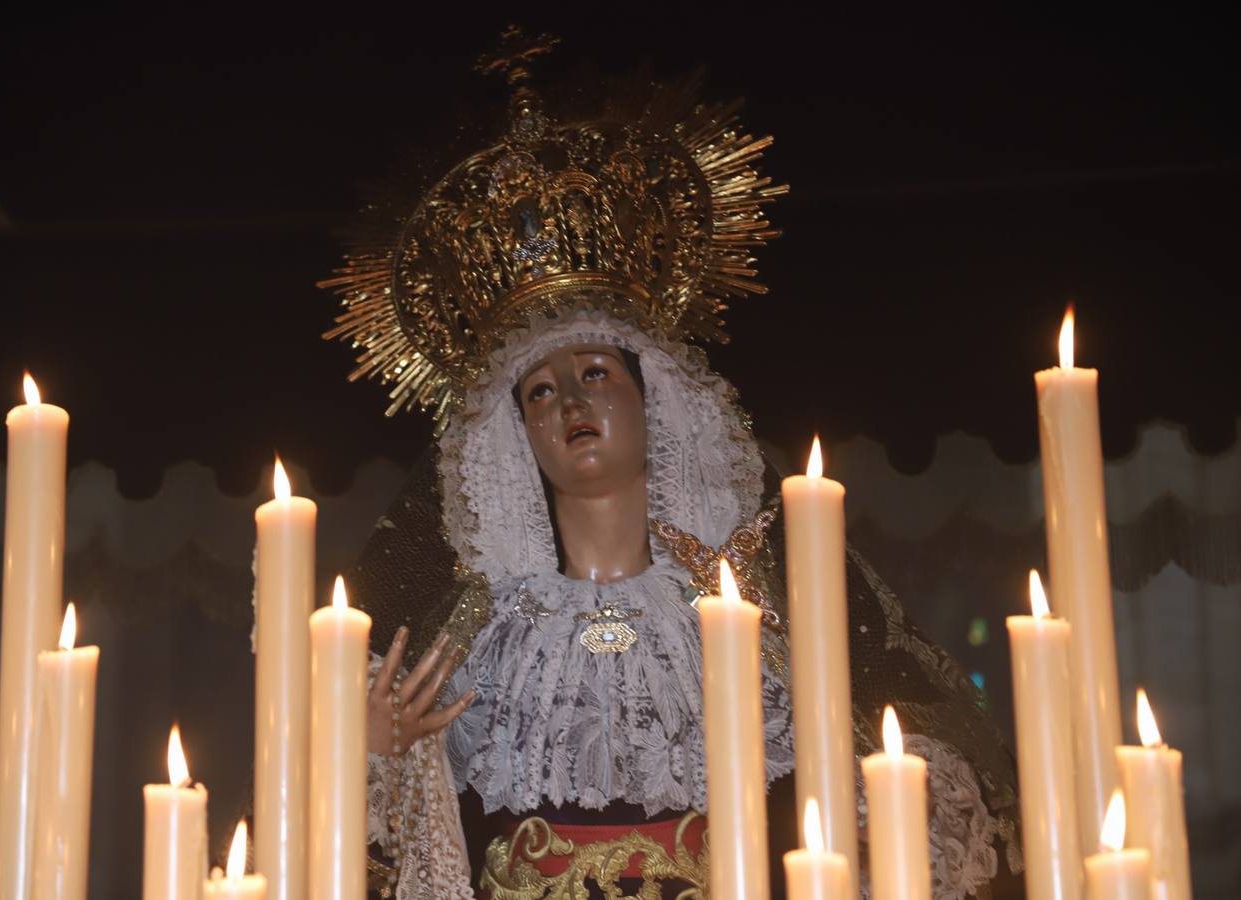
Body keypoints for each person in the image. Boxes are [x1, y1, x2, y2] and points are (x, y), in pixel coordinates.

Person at [324, 28, 1023, 899]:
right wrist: (368, 750)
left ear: (655, 399)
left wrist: (888, 777)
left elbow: (903, 747)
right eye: (538, 393)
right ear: (511, 443)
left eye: (593, 374)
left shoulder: (757, 610)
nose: (570, 404)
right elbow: (382, 846)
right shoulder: (470, 640)